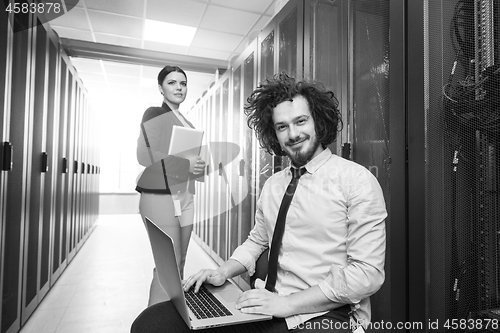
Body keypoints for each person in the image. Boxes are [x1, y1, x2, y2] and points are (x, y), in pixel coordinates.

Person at [131, 73, 387, 332]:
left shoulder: (357, 180)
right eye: (282, 126)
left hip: (328, 314)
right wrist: (224, 271)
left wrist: (288, 304)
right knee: (152, 324)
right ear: (273, 133)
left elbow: (367, 273)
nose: (293, 134)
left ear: (318, 122)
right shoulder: (274, 184)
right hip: (266, 305)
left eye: (300, 121)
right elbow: (258, 241)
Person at [136, 65, 206, 306]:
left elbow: (188, 161)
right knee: (169, 265)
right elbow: (144, 155)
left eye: (183, 83)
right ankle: (155, 324)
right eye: (172, 83)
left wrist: (198, 167)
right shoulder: (154, 113)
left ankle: (173, 319)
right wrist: (184, 164)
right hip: (160, 196)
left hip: (185, 195)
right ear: (160, 88)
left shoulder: (187, 122)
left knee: (180, 262)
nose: (179, 87)